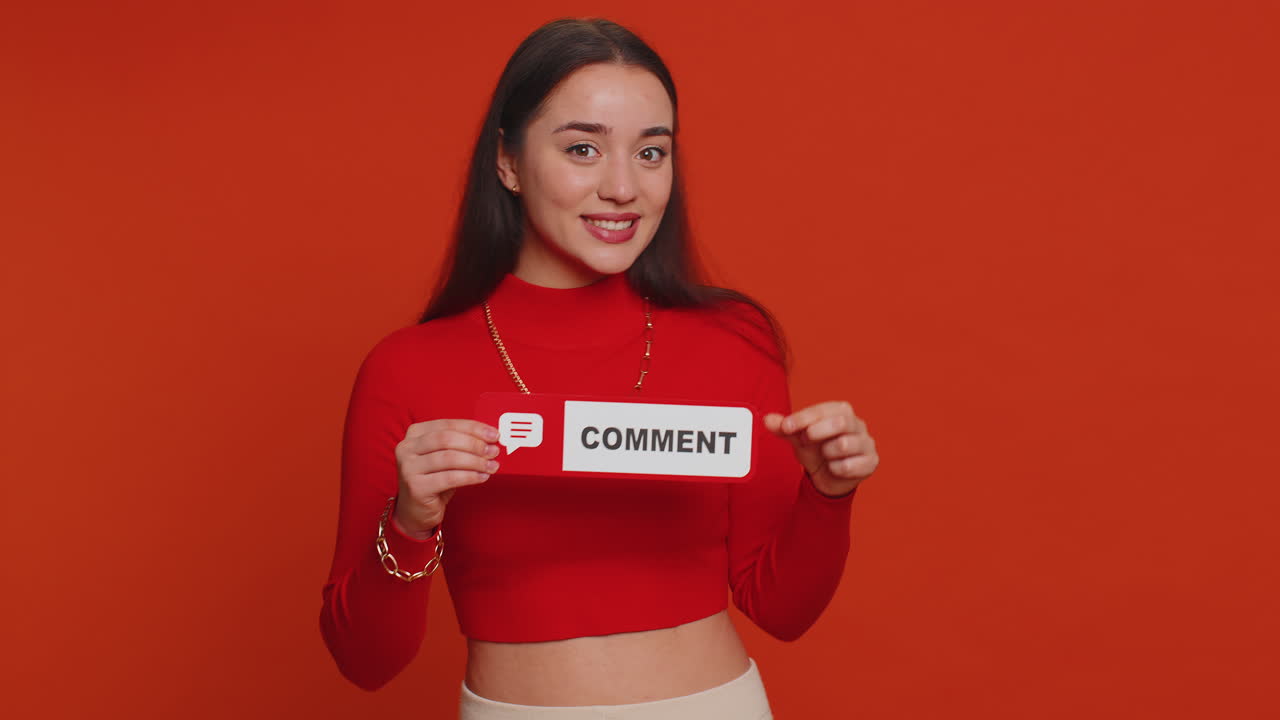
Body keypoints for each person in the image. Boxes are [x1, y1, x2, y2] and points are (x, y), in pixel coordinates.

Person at [319, 17, 880, 720]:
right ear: (509, 162)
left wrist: (827, 494)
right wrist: (409, 520)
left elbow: (783, 608)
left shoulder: (734, 341)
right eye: (583, 148)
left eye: (652, 153)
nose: (623, 187)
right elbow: (365, 661)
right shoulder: (407, 369)